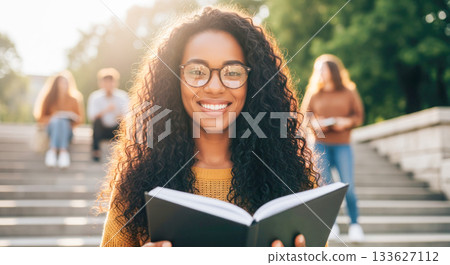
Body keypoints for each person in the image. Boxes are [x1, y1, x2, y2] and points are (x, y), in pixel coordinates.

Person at [98, 6, 324, 247]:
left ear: (255, 83)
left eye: (233, 72)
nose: (215, 87)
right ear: (174, 81)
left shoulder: (293, 179)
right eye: (197, 71)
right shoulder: (136, 181)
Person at [301, 54, 365, 243]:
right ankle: (330, 224)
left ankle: (355, 225)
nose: (320, 72)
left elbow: (358, 117)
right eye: (318, 69)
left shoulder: (349, 91)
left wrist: (346, 122)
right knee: (325, 188)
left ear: (333, 71)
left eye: (324, 69)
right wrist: (317, 123)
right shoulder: (314, 94)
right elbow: (306, 118)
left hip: (342, 144)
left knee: (349, 186)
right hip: (320, 145)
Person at [33, 71, 84, 168]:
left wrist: (70, 117)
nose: (63, 85)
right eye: (61, 82)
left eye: (65, 82)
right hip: (51, 130)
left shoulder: (74, 99)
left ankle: (53, 151)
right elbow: (40, 119)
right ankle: (63, 151)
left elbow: (80, 120)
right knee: (58, 121)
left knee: (63, 122)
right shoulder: (48, 98)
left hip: (68, 131)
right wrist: (53, 117)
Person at [87, 68, 129, 162]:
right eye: (106, 82)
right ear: (101, 83)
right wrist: (106, 110)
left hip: (117, 129)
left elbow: (128, 115)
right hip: (101, 129)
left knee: (124, 123)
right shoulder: (95, 97)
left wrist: (119, 115)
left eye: (111, 82)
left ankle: (123, 151)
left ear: (115, 83)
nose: (108, 85)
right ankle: (96, 151)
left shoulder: (122, 96)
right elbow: (92, 116)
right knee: (96, 122)